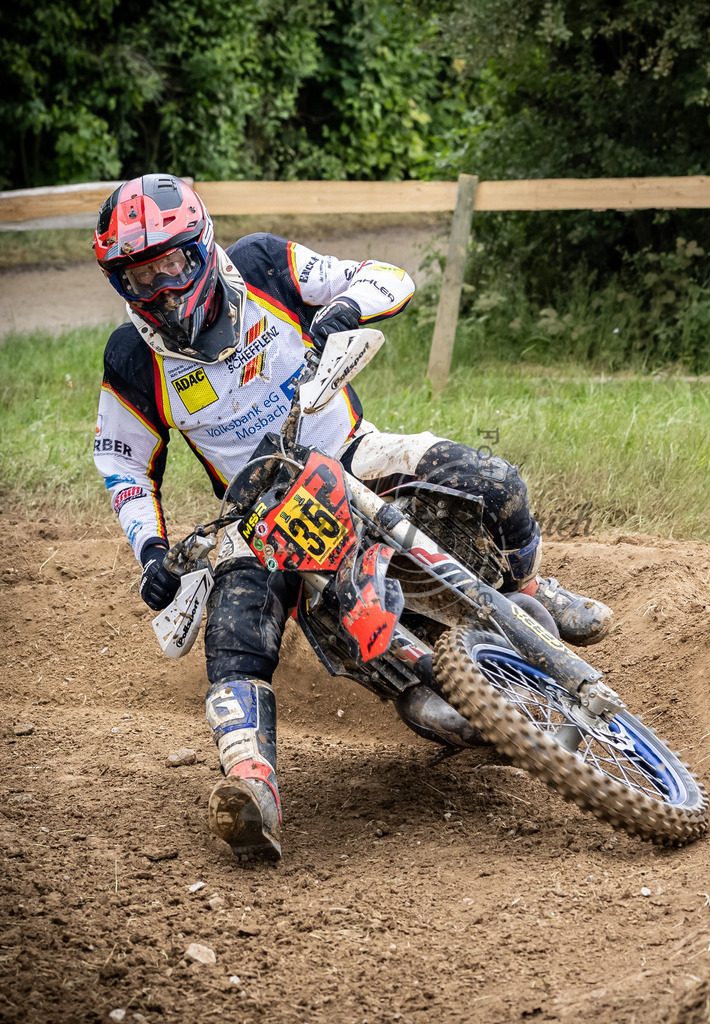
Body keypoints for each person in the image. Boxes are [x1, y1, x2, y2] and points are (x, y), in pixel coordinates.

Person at [93, 173, 613, 862]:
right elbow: (123, 462)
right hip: (258, 512)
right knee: (234, 622)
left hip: (353, 451)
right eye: (137, 276)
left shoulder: (261, 264)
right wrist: (151, 552)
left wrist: (344, 307)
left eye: (170, 264)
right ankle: (251, 784)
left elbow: (386, 277)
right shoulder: (131, 356)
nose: (158, 288)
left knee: (496, 482)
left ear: (202, 246)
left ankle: (528, 590)